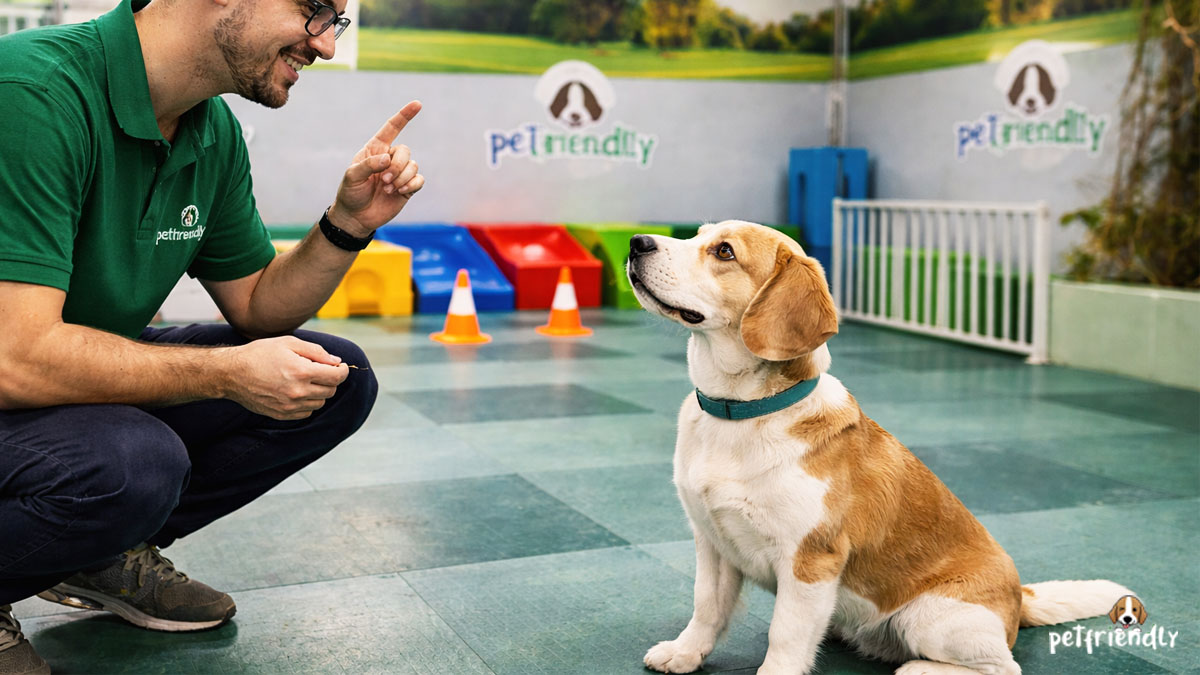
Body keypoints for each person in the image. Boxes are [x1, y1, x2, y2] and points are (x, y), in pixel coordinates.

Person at [0, 0, 424, 670]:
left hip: (48, 389)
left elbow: (258, 307)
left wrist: (348, 223)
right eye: (315, 9)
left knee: (334, 376)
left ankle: (94, 552)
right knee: (133, 462)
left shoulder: (209, 130)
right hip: (14, 371)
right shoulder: (33, 93)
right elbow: (15, 359)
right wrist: (225, 374)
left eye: (335, 21)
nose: (325, 45)